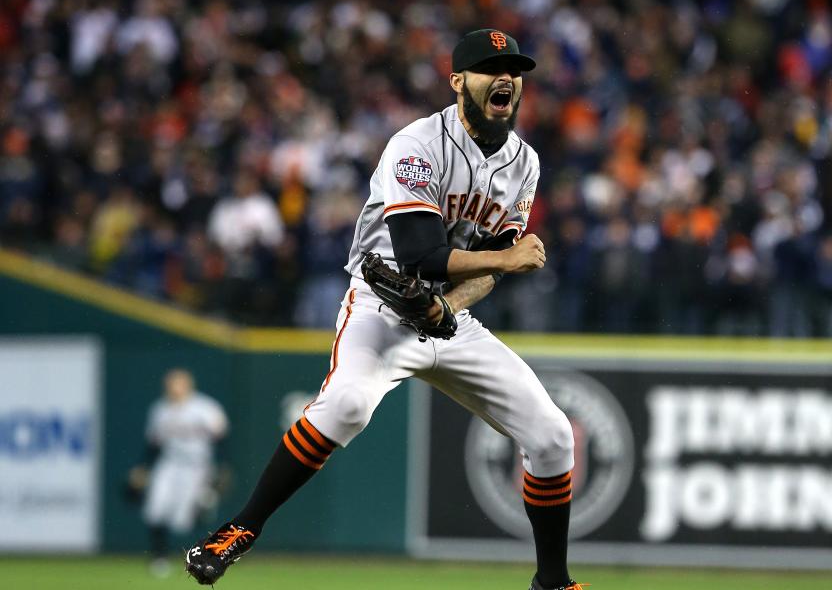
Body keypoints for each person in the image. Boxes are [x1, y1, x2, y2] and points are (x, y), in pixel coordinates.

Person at [185, 29, 583, 590]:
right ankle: (241, 527)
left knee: (553, 436)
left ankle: (553, 581)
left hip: (450, 316)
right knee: (347, 404)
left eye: (514, 69)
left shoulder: (525, 164)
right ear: (457, 82)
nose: (505, 77)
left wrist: (448, 307)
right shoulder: (417, 144)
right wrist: (492, 266)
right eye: (489, 67)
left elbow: (495, 267)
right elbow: (421, 253)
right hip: (381, 303)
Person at [134, 368, 228, 576]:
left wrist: (222, 467)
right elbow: (154, 445)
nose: (174, 388)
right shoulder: (159, 410)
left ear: (188, 385)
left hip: (197, 467)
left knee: (183, 521)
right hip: (169, 464)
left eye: (179, 383)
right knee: (155, 509)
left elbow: (221, 440)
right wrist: (143, 468)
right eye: (171, 384)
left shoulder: (205, 408)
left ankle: (210, 553)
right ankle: (159, 558)